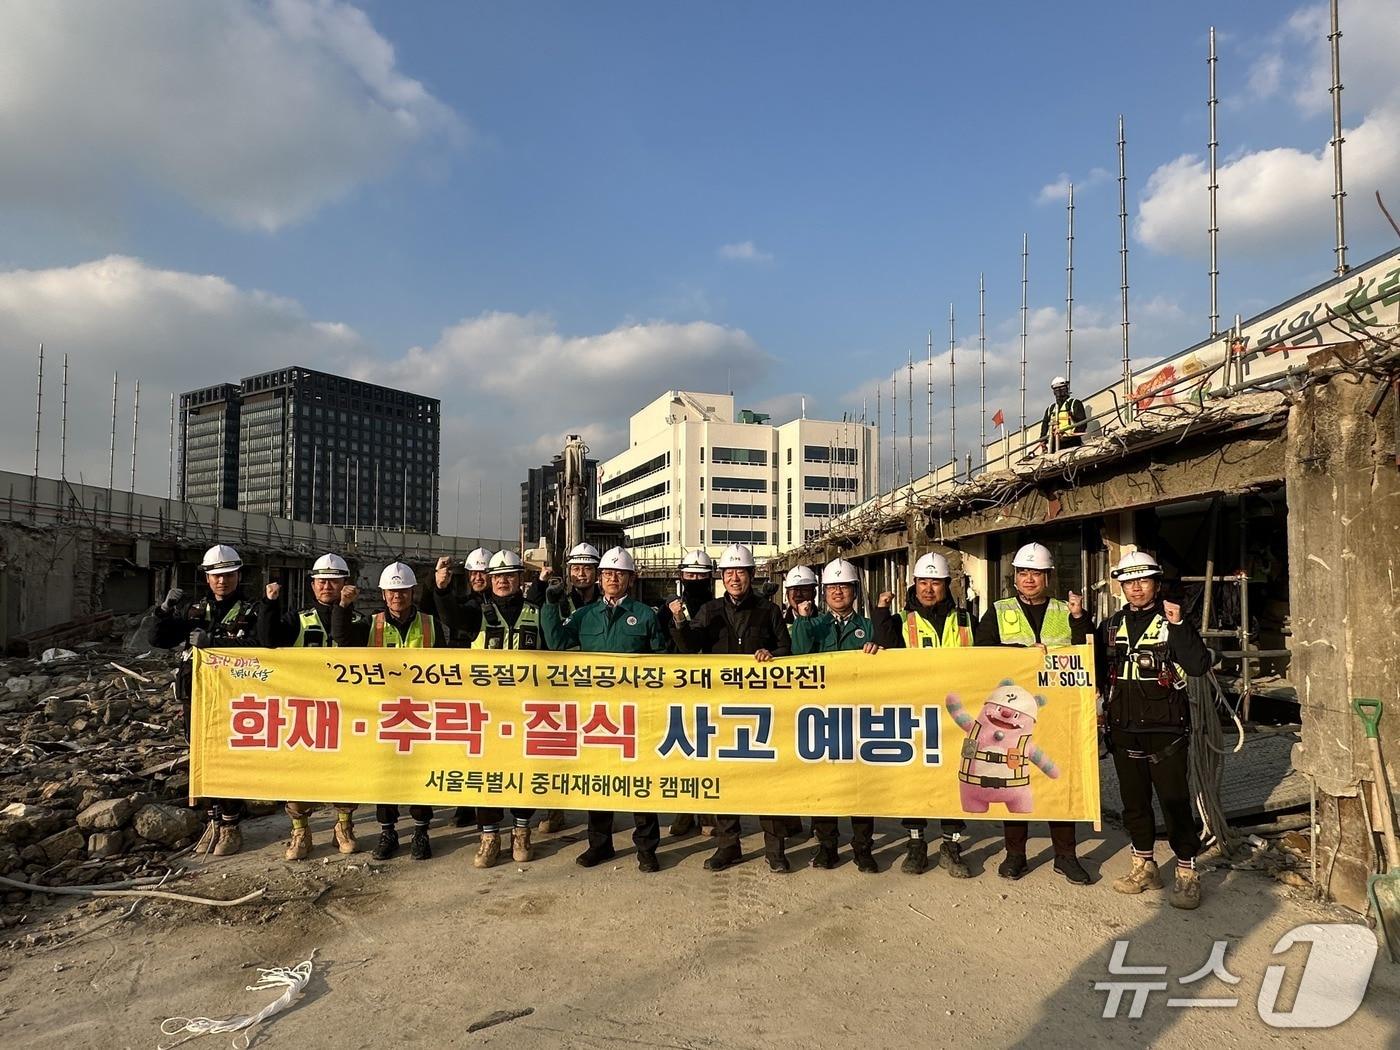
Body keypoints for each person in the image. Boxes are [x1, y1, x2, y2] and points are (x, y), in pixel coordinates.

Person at [670, 542, 796, 873]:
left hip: (761, 710)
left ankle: (775, 850)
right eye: (728, 572)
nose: (734, 578)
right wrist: (679, 621)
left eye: (740, 571)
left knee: (768, 780)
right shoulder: (709, 611)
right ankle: (728, 846)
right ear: (722, 577)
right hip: (722, 708)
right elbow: (690, 648)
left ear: (751, 575)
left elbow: (786, 648)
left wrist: (772, 654)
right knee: (725, 779)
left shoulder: (768, 611)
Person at [541, 547, 669, 872]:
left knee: (640, 783)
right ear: (599, 580)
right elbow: (556, 643)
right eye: (608, 574)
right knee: (599, 780)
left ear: (631, 579)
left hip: (636, 714)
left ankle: (646, 849)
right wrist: (550, 604)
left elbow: (662, 660)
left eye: (619, 574)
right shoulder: (585, 615)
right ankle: (599, 844)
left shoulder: (645, 615)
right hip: (598, 715)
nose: (613, 579)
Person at [974, 542, 1093, 884]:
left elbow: (1087, 652)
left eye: (1036, 574)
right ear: (1015, 577)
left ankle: (1066, 856)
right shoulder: (998, 611)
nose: (1029, 579)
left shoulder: (1065, 611)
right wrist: (1021, 652)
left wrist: (1080, 619)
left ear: (1048, 578)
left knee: (1060, 781)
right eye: (1023, 573)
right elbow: (981, 652)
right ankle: (1015, 855)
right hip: (1013, 712)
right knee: (1013, 780)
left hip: (1058, 712)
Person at [1098, 551, 1212, 910]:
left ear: (1156, 584)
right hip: (1124, 728)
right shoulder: (1112, 626)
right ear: (1121, 587)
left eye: (1143, 581)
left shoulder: (1171, 621)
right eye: (1129, 582)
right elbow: (1092, 667)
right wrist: (1078, 621)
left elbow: (1198, 665)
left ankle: (1187, 873)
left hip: (1166, 730)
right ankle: (1144, 866)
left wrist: (1179, 626)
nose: (1136, 588)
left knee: (1174, 803)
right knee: (1134, 803)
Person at [148, 544, 258, 856]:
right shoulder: (193, 611)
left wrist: (216, 642)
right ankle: (212, 820)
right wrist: (163, 612)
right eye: (216, 575)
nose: (222, 581)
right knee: (202, 758)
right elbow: (158, 639)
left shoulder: (250, 611)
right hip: (196, 694)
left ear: (238, 576)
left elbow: (261, 643)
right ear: (207, 578)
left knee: (229, 758)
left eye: (229, 575)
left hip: (234, 696)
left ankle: (231, 824)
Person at [872, 551, 975, 877]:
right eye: (923, 582)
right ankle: (916, 843)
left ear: (947, 585)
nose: (928, 589)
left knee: (954, 780)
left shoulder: (965, 620)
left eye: (935, 582)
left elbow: (989, 656)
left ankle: (951, 844)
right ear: (914, 584)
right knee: (916, 780)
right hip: (916, 715)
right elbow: (885, 649)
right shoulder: (902, 621)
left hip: (955, 717)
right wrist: (881, 612)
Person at [258, 552, 367, 860]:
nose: (327, 587)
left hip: (345, 709)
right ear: (312, 585)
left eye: (334, 581)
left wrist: (344, 608)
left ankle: (343, 825)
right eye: (321, 581)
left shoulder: (360, 621)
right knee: (298, 772)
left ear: (346, 584)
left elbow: (346, 638)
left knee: (345, 770)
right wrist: (269, 604)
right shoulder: (297, 619)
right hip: (303, 711)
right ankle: (300, 831)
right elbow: (267, 640)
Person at [338, 562, 445, 862]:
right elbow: (343, 640)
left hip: (421, 712)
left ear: (412, 592)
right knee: (385, 774)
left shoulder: (430, 624)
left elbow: (447, 666)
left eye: (403, 591)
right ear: (383, 595)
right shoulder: (371, 624)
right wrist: (343, 607)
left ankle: (421, 832)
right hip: (384, 714)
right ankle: (388, 832)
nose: (398, 597)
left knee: (419, 773)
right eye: (392, 592)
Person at [791, 559, 884, 873]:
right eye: (832, 587)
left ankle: (863, 848)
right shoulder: (813, 624)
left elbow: (887, 663)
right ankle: (827, 846)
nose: (838, 592)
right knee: (825, 785)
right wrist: (803, 620)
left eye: (844, 586)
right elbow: (799, 655)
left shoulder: (868, 627)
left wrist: (877, 649)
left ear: (854, 591)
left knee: (861, 785)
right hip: (822, 715)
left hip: (859, 716)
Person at [469, 549, 544, 869]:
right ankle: (489, 836)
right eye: (498, 576)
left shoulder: (536, 612)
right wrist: (440, 589)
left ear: (519, 579)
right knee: (487, 773)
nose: (503, 581)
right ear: (489, 580)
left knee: (524, 771)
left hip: (527, 709)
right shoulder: (476, 612)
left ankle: (521, 831)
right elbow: (448, 614)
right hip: (488, 710)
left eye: (509, 576)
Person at [529, 542, 602, 834]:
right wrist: (543, 590)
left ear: (597, 572)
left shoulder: (607, 602)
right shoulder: (558, 599)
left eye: (587, 568)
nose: (581, 574)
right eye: (576, 568)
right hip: (564, 685)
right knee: (559, 748)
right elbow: (544, 628)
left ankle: (599, 813)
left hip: (598, 686)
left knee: (598, 748)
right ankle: (556, 808)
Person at [655, 549, 718, 839]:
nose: (694, 580)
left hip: (711, 687)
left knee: (708, 752)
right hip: (678, 688)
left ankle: (708, 812)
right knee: (681, 751)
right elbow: (658, 643)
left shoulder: (717, 608)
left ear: (710, 578)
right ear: (681, 576)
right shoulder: (667, 609)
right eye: (690, 575)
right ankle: (684, 811)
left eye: (700, 575)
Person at [432, 549, 488, 828]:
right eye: (473, 573)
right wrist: (440, 587)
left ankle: (486, 806)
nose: (478, 577)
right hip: (464, 683)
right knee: (466, 745)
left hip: (495, 686)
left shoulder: (502, 605)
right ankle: (466, 804)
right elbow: (448, 614)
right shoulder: (464, 604)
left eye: (483, 572)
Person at [1038, 377, 1087, 453]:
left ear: (1067, 389)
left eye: (1062, 388)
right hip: (1054, 444)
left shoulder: (1074, 403)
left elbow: (1082, 423)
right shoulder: (1051, 409)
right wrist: (1042, 440)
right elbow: (1044, 426)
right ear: (1054, 392)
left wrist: (1072, 434)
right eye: (1057, 389)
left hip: (1072, 442)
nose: (1060, 391)